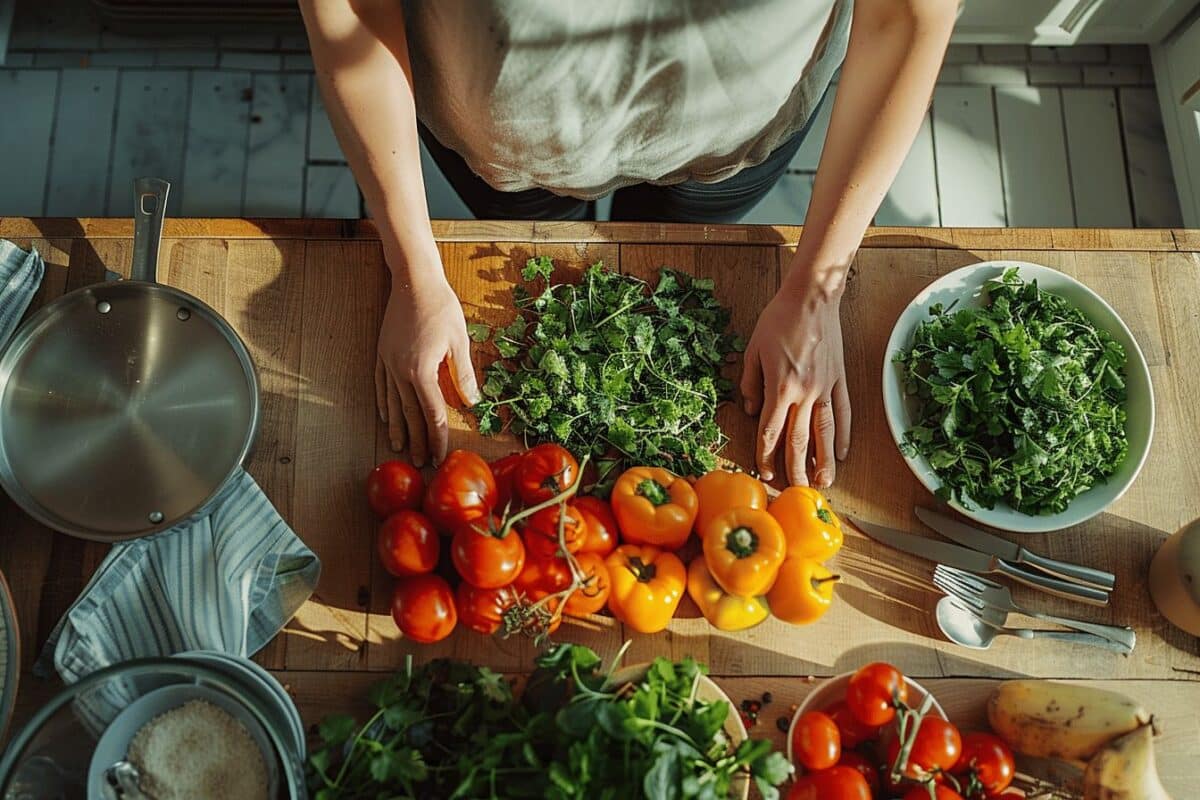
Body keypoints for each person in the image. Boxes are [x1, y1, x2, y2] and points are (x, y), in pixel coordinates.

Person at [300, 0, 956, 487]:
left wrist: (818, 288)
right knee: (534, 213)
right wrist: (412, 267)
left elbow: (908, 15)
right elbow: (350, 10)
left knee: (696, 225)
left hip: (736, 137)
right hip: (503, 137)